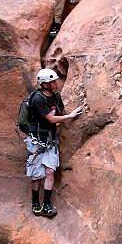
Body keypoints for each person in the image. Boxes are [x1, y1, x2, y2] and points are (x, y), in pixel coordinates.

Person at [26, 68, 83, 218]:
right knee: (37, 175)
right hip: (37, 142)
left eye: (55, 81)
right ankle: (35, 203)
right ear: (45, 84)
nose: (56, 83)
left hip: (50, 140)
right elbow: (51, 119)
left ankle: (46, 204)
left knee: (50, 171)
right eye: (53, 82)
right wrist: (70, 116)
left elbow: (57, 114)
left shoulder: (56, 97)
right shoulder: (38, 98)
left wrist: (59, 120)